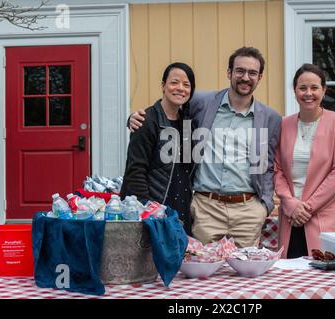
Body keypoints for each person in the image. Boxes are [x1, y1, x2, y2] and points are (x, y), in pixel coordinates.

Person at [129, 47, 282, 248]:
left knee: (246, 275)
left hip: (248, 211)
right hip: (206, 209)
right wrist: (136, 119)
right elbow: (170, 105)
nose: (245, 77)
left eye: (252, 73)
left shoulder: (270, 118)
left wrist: (264, 205)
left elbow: (268, 164)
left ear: (260, 77)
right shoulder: (202, 102)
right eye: (240, 71)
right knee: (203, 273)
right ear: (229, 73)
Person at [274, 64, 335, 258]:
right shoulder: (284, 124)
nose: (308, 93)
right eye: (302, 88)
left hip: (324, 217)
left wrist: (306, 208)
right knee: (290, 276)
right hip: (291, 217)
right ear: (294, 91)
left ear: (323, 90)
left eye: (314, 87)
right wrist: (291, 204)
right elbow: (276, 169)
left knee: (323, 277)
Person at [119, 62, 195, 235]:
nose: (180, 89)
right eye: (174, 82)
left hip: (181, 206)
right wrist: (147, 210)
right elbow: (135, 170)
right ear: (163, 86)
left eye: (186, 85)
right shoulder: (146, 121)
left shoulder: (188, 123)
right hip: (154, 208)